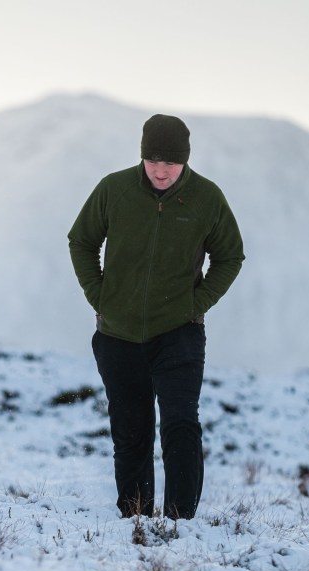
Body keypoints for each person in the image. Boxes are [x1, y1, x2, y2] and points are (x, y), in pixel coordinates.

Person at [67, 114, 244, 520]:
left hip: (179, 333)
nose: (161, 171)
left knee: (180, 425)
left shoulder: (207, 197)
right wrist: (100, 296)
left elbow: (230, 256)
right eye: (153, 161)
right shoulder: (114, 189)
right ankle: (136, 518)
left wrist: (196, 304)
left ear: (186, 160)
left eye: (171, 162)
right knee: (131, 432)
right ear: (142, 156)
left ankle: (181, 523)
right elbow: (81, 241)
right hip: (117, 333)